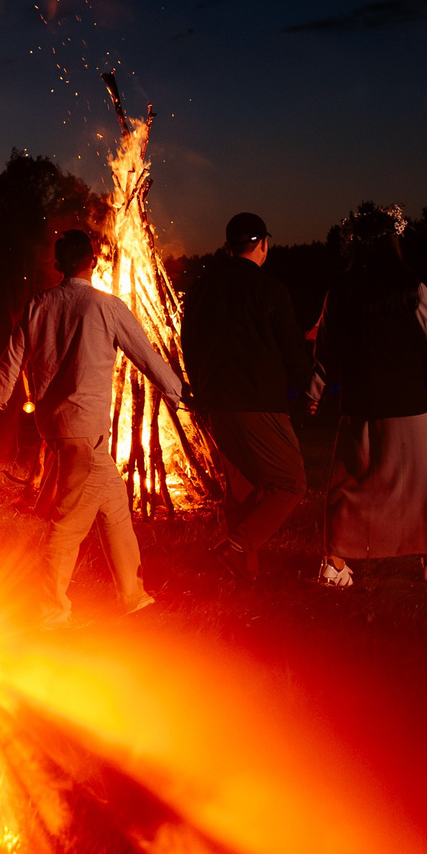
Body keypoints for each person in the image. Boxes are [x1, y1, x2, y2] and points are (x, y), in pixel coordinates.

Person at [0, 228, 184, 625]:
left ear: (57, 265)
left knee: (115, 508)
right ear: (94, 260)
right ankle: (51, 611)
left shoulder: (38, 305)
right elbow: (145, 354)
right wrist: (179, 392)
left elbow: (11, 360)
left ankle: (133, 596)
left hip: (62, 429)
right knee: (67, 524)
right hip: (84, 431)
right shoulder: (106, 306)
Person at [312, 205, 427, 588]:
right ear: (393, 243)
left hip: (360, 406)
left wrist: (313, 392)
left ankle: (334, 563)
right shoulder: (409, 287)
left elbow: (326, 349)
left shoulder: (340, 289)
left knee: (352, 487)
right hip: (407, 403)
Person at [180, 210, 311, 579]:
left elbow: (187, 342)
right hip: (258, 402)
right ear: (263, 245)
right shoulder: (269, 290)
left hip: (216, 402)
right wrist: (309, 389)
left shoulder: (203, 289)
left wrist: (199, 389)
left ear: (227, 246)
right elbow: (291, 350)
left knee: (243, 490)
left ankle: (240, 579)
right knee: (289, 483)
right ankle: (235, 546)